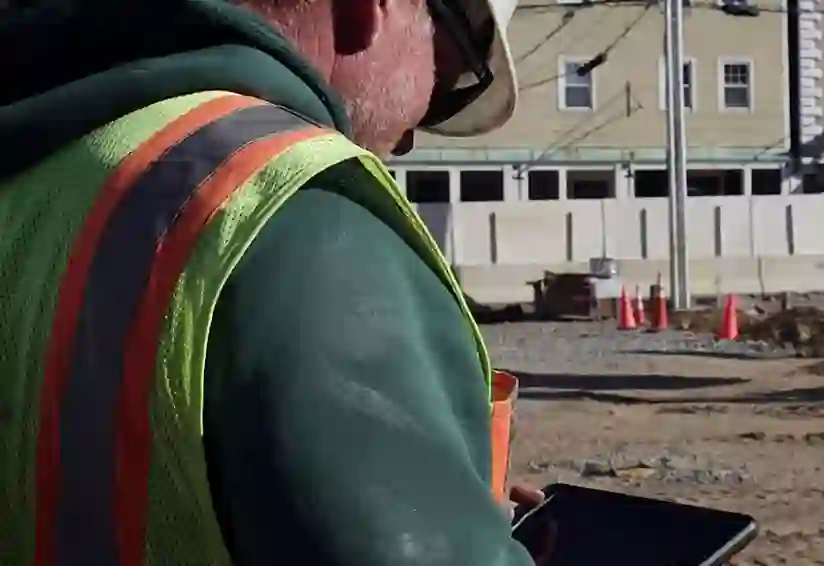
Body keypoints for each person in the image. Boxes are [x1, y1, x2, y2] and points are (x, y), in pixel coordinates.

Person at [0, 0, 548, 565]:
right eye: (449, 77)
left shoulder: (38, 166)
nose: (413, 136)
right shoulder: (299, 213)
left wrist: (438, 502)